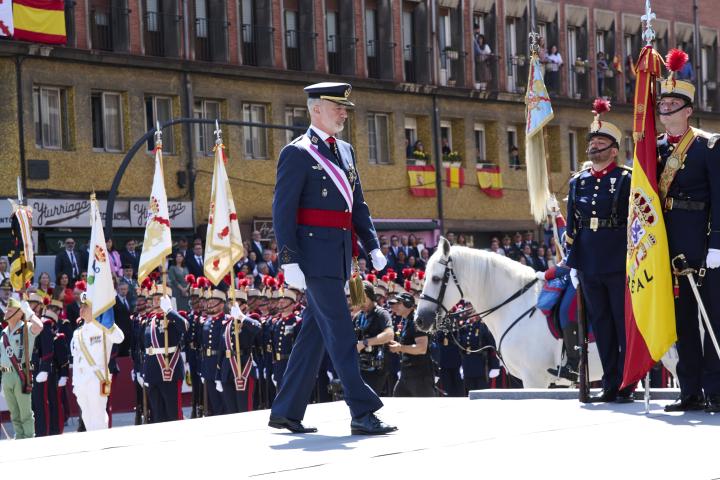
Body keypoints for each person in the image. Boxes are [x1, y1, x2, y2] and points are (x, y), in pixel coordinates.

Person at [270, 82, 396, 435]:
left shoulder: (345, 150)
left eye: (344, 108)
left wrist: (372, 246)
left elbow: (357, 205)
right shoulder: (297, 153)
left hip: (341, 255)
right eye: (336, 107)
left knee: (313, 336)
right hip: (313, 259)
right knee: (341, 334)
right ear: (315, 110)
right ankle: (362, 411)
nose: (344, 113)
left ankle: (285, 410)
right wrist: (288, 260)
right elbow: (283, 211)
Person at [655, 52, 720, 412]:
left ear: (687, 110)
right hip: (670, 245)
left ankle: (716, 388)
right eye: (662, 105)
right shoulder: (655, 149)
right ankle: (690, 390)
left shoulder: (708, 146)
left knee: (713, 320)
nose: (665, 110)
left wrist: (718, 245)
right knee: (683, 323)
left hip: (705, 243)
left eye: (672, 105)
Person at [563, 98, 632, 403]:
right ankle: (609, 382)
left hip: (617, 258)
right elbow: (572, 227)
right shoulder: (578, 181)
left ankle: (626, 383)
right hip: (588, 260)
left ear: (614, 150)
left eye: (602, 143)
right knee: (601, 325)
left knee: (621, 322)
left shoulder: (626, 179)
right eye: (592, 142)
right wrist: (573, 264)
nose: (594, 148)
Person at [70, 292, 125, 431]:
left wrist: (109, 324)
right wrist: (75, 383)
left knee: (98, 416)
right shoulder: (78, 333)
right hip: (81, 380)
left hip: (96, 377)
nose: (81, 309)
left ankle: (101, 446)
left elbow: (119, 338)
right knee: (87, 418)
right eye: (81, 306)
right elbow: (76, 360)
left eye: (86, 306)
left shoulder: (103, 327)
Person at [141, 284, 187, 423]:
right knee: (157, 414)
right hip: (152, 371)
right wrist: (144, 371)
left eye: (159, 298)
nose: (156, 301)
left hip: (169, 369)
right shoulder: (149, 320)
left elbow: (184, 327)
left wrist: (169, 310)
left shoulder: (173, 317)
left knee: (173, 412)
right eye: (154, 298)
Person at [1, 298, 44, 439]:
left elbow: (40, 326)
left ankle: (29, 438)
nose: (6, 312)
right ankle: (19, 436)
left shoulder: (26, 328)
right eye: (7, 309)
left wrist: (29, 313)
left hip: (21, 374)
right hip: (6, 376)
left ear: (19, 314)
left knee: (25, 412)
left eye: (11, 310)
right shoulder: (3, 333)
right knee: (14, 412)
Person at [388, 292, 435, 397]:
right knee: (398, 406)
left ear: (408, 304)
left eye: (399, 303)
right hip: (406, 373)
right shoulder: (405, 321)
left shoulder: (417, 321)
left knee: (426, 409)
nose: (395, 306)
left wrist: (400, 347)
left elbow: (421, 348)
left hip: (420, 376)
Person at [353, 281, 394, 396]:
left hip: (377, 367)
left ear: (369, 296)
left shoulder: (381, 313)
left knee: (369, 398)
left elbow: (389, 334)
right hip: (361, 365)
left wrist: (365, 342)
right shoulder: (358, 316)